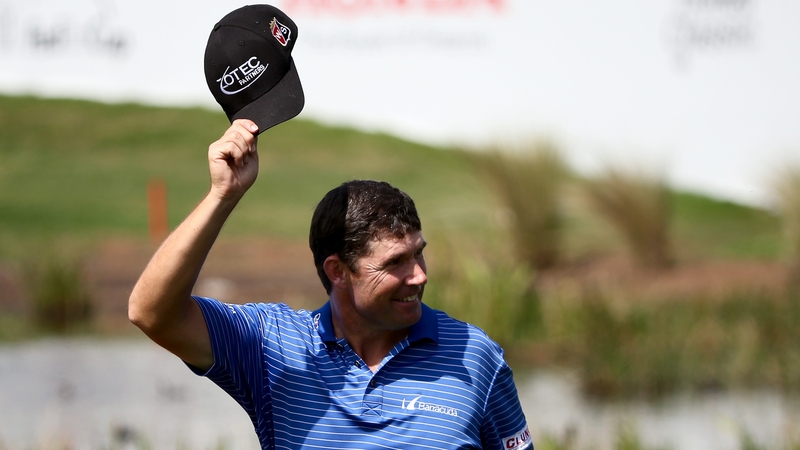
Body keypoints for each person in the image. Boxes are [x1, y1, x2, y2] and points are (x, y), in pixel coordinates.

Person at [129, 119, 534, 449]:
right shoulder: (273, 347)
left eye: (418, 253)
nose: (420, 275)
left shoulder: (475, 355)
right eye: (395, 262)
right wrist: (222, 195)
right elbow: (151, 313)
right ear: (338, 271)